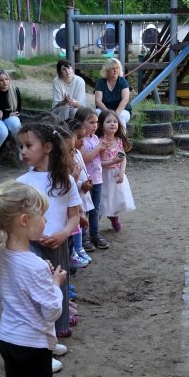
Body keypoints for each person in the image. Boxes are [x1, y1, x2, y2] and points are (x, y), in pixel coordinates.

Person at [0, 180, 66, 377]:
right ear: (25, 220)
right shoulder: (35, 265)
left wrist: (41, 279)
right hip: (33, 345)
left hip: (7, 339)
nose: (45, 221)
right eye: (42, 216)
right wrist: (55, 284)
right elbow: (52, 311)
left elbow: (0, 290)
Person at [16, 121, 82, 343]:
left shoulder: (66, 180)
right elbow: (16, 217)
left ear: (47, 147)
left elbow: (74, 215)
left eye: (28, 145)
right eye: (21, 147)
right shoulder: (21, 183)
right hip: (30, 245)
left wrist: (63, 234)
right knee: (35, 287)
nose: (23, 151)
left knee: (59, 283)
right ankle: (38, 331)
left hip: (58, 242)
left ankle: (60, 326)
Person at [74, 107, 109, 251]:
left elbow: (100, 158)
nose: (95, 125)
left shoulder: (95, 138)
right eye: (91, 122)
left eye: (96, 122)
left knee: (95, 209)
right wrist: (98, 149)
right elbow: (84, 158)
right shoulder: (81, 141)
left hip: (97, 179)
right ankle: (83, 237)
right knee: (85, 209)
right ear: (80, 124)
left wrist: (103, 149)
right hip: (85, 182)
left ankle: (95, 234)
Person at [97, 109, 136, 232]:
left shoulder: (119, 141)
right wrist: (113, 162)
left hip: (116, 174)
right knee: (102, 199)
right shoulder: (99, 142)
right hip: (103, 175)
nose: (113, 124)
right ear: (101, 125)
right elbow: (99, 163)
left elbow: (123, 157)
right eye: (108, 121)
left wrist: (122, 172)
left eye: (115, 121)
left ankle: (113, 216)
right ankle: (94, 224)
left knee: (116, 198)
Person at [64, 119, 93, 268]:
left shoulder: (77, 153)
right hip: (75, 195)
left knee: (80, 223)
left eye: (84, 136)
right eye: (79, 137)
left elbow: (81, 171)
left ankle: (79, 248)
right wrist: (81, 184)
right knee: (75, 223)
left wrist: (86, 181)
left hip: (81, 193)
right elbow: (68, 180)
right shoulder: (67, 157)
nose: (83, 140)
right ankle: (74, 250)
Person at [94, 58, 131, 126]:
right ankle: (99, 133)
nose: (115, 70)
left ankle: (122, 133)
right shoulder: (100, 82)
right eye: (113, 68)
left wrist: (115, 114)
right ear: (107, 70)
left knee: (120, 117)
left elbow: (125, 100)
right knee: (97, 112)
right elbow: (98, 101)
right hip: (104, 110)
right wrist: (108, 113)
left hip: (122, 110)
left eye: (117, 68)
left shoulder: (123, 81)